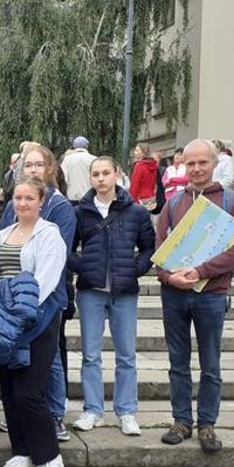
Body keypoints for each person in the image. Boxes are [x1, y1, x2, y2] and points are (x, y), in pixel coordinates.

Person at [157, 139, 234, 453]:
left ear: (214, 164)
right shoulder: (172, 204)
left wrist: (200, 272)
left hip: (211, 295)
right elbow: (160, 251)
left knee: (211, 363)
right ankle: (181, 421)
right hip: (174, 295)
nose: (196, 169)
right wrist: (169, 276)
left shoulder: (230, 201)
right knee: (177, 361)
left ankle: (207, 424)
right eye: (190, 163)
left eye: (202, 163)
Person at [0, 175, 67, 467]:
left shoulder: (49, 235)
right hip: (2, 322)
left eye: (29, 198)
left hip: (36, 321)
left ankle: (50, 458)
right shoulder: (3, 235)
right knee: (9, 391)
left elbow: (45, 280)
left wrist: (18, 312)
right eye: (18, 198)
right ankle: (21, 453)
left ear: (41, 201)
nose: (23, 203)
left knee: (28, 392)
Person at [68, 156, 155, 436]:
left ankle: (126, 411)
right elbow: (67, 249)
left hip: (124, 291)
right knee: (90, 354)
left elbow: (149, 248)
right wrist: (83, 267)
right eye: (96, 174)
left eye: (106, 172)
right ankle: (93, 409)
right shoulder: (81, 212)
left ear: (117, 173)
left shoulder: (136, 212)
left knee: (126, 354)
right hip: (91, 291)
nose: (101, 178)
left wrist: (134, 270)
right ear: (90, 178)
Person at [0, 145, 76, 442]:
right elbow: (3, 241)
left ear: (50, 168)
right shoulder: (12, 205)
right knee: (16, 350)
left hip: (47, 295)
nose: (32, 169)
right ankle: (21, 413)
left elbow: (58, 253)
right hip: (11, 295)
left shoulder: (61, 207)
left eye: (38, 164)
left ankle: (55, 413)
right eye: (27, 165)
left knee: (50, 356)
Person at [60, 136, 97, 204]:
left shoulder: (67, 159)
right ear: (87, 146)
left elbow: (63, 178)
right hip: (89, 197)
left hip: (71, 197)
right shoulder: (94, 159)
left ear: (74, 146)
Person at [129, 143, 158, 210]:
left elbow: (134, 185)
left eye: (137, 150)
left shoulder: (139, 165)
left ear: (143, 152)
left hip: (140, 199)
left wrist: (130, 200)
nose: (134, 152)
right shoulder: (153, 165)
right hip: (151, 198)